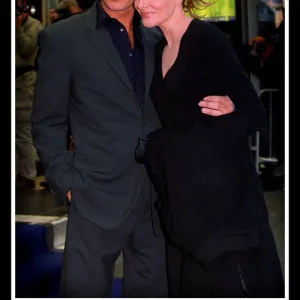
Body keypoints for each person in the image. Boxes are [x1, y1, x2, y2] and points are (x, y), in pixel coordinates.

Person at [31, 0, 234, 297]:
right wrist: (67, 181)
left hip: (156, 196)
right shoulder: (63, 38)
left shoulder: (158, 36)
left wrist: (228, 103)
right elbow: (47, 121)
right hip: (94, 193)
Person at [134, 0, 284, 297]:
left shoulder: (206, 39)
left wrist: (165, 147)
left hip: (223, 211)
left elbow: (254, 114)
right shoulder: (157, 49)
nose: (140, 4)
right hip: (183, 208)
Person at [16, 0, 43, 189]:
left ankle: (29, 173)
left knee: (24, 131)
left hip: (26, 81)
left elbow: (26, 50)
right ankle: (18, 171)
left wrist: (17, 28)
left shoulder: (34, 25)